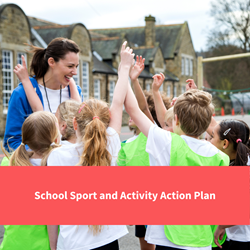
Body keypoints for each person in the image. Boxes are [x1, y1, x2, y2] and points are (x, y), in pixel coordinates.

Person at [124, 73, 229, 250]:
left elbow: (135, 109)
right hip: (201, 240)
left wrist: (125, 73)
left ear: (177, 119)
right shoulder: (220, 157)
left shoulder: (168, 143)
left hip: (169, 239)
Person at [46, 41, 134, 250]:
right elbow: (118, 102)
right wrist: (124, 68)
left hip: (73, 244)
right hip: (108, 241)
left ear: (73, 124)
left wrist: (53, 246)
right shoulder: (111, 142)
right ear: (104, 124)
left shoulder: (56, 156)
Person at [3, 37, 82, 151]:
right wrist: (40, 159)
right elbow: (11, 142)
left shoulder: (76, 92)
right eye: (70, 66)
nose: (75, 72)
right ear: (51, 62)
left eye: (76, 66)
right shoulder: (21, 94)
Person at [0, 111, 60, 250]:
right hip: (43, 245)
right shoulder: (55, 168)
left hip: (12, 243)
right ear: (55, 138)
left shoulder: (7, 164)